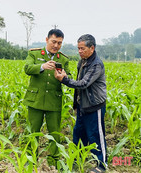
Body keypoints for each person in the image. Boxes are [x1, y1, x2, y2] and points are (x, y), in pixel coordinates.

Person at [54, 34, 107, 173]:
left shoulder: (96, 64)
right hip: (83, 106)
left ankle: (102, 165)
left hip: (95, 106)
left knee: (95, 136)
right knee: (78, 135)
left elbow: (83, 84)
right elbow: (78, 80)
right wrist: (76, 104)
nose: (80, 51)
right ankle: (76, 160)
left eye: (82, 48)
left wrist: (64, 80)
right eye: (78, 48)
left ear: (92, 48)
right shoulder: (82, 61)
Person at [23, 29, 71, 167]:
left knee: (55, 133)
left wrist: (64, 77)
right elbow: (27, 68)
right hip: (35, 100)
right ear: (47, 40)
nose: (56, 46)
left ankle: (54, 161)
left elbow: (70, 78)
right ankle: (31, 160)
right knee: (33, 132)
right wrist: (42, 66)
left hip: (53, 101)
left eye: (59, 43)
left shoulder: (63, 59)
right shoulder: (34, 53)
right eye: (53, 42)